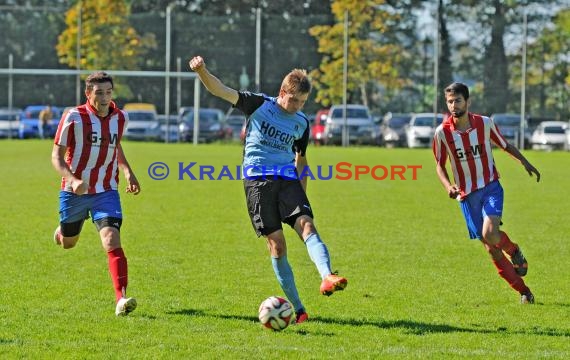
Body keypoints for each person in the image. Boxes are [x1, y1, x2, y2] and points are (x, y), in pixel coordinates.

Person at [189, 55, 347, 324]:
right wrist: (202, 70)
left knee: (307, 225)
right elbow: (220, 90)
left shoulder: (301, 122)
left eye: (302, 102)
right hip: (257, 181)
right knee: (277, 245)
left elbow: (301, 158)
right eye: (294, 100)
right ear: (282, 92)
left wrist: (302, 192)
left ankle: (327, 276)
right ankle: (298, 309)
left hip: (287, 179)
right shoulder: (258, 104)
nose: (297, 106)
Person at [432, 82, 540, 304]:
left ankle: (514, 249)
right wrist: (448, 186)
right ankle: (524, 292)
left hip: (490, 186)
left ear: (468, 101)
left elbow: (504, 145)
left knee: (491, 233)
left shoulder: (484, 124)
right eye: (450, 101)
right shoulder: (442, 133)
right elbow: (439, 165)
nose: (454, 105)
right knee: (491, 250)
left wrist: (524, 161)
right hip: (466, 196)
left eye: (458, 100)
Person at [51, 71, 141, 316]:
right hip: (74, 192)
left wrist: (127, 171)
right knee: (69, 244)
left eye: (108, 92)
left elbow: (114, 145)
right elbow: (56, 156)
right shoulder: (73, 117)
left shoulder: (120, 117)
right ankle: (62, 232)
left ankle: (121, 299)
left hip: (106, 190)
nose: (104, 97)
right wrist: (73, 179)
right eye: (99, 92)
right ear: (88, 93)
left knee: (111, 240)